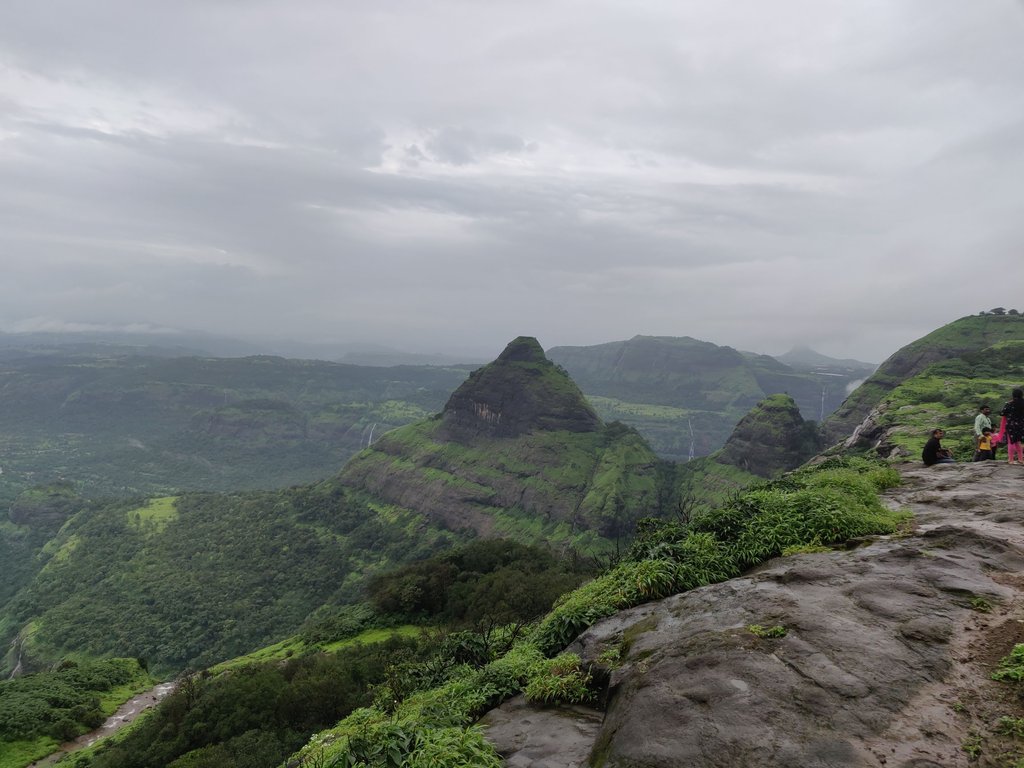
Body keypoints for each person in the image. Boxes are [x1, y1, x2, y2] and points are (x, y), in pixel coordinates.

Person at [1001, 389, 1024, 465]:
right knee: (1018, 442)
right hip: (1021, 425)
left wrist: (1007, 403)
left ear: (1013, 395)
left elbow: (1003, 413)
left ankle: (1011, 459)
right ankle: (1021, 459)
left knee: (1011, 442)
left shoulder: (1010, 404)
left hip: (1011, 425)